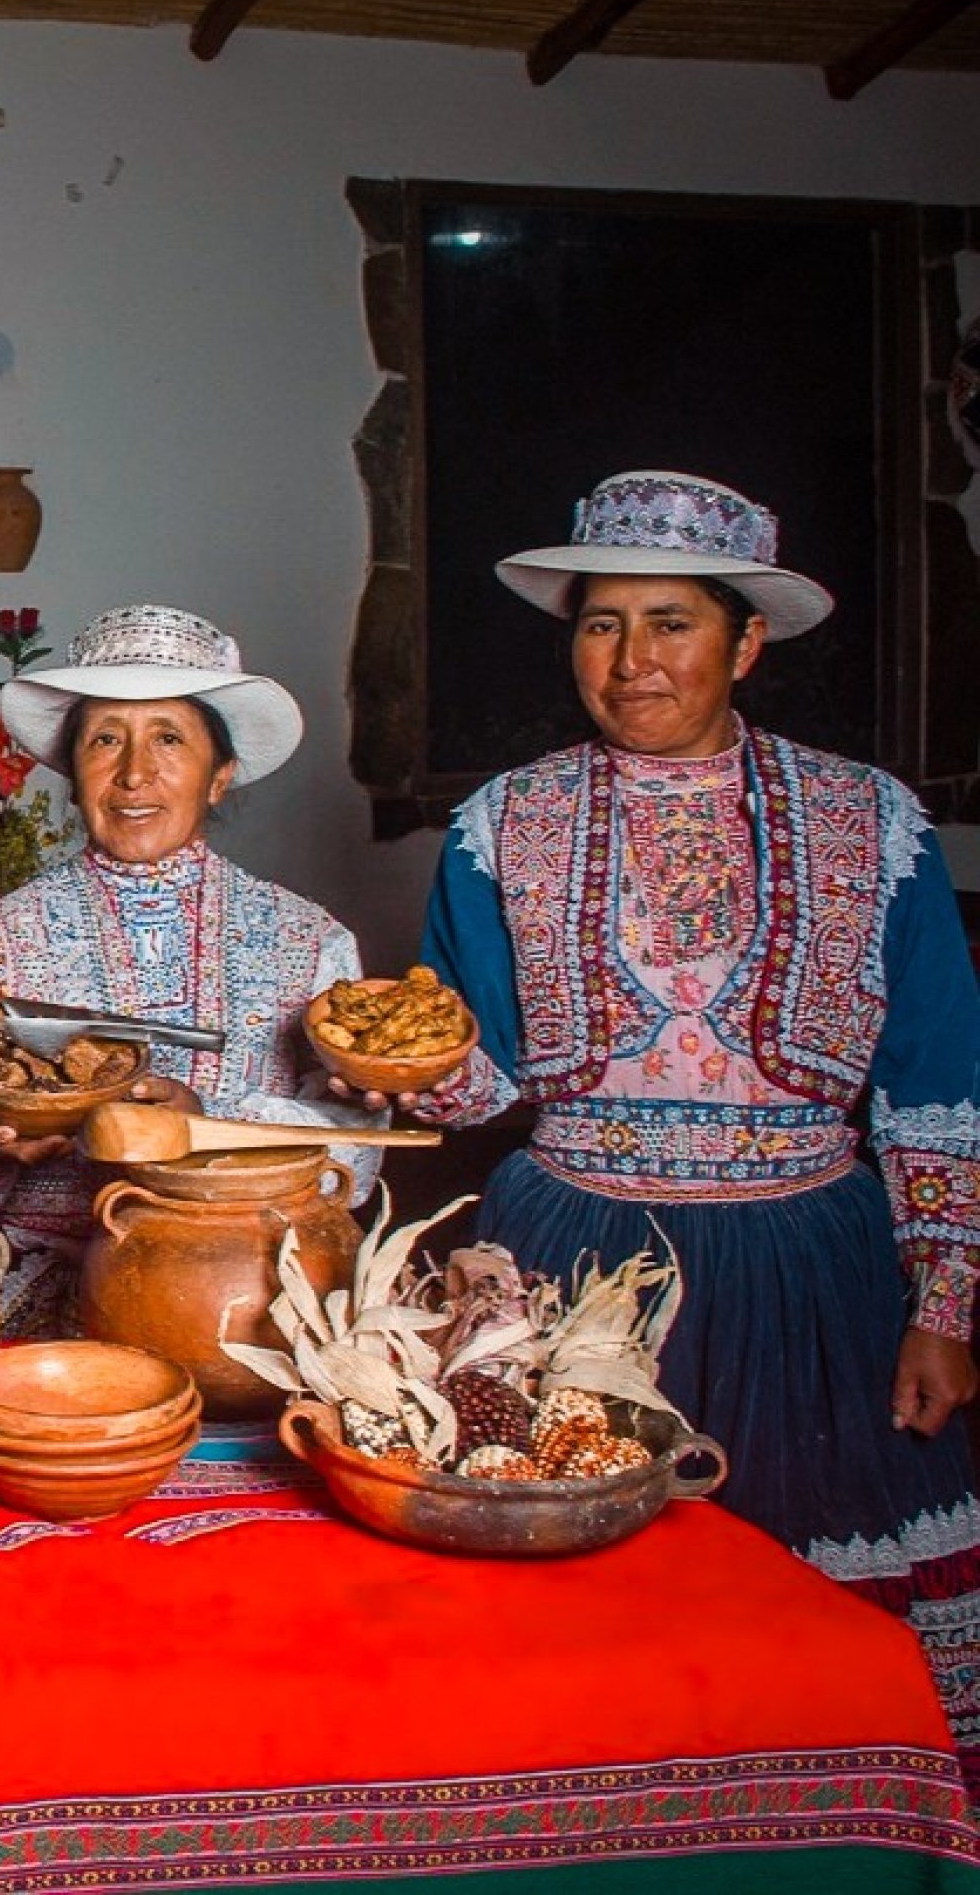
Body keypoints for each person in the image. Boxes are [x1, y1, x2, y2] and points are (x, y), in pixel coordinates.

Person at [414, 469, 980, 1783]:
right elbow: (484, 1082)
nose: (631, 661)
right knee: (568, 1640)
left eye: (671, 623)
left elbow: (939, 1082)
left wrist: (947, 1304)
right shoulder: (501, 826)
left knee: (824, 1643)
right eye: (601, 625)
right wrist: (414, 1065)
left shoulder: (872, 822)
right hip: (565, 1267)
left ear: (749, 639)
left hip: (812, 1272)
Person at [0, 604, 378, 1338]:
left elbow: (357, 1164)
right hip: (39, 1309)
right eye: (106, 740)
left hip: (256, 1302)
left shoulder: (309, 940)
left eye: (169, 739)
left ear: (221, 775)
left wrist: (206, 1131)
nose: (134, 773)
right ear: (73, 771)